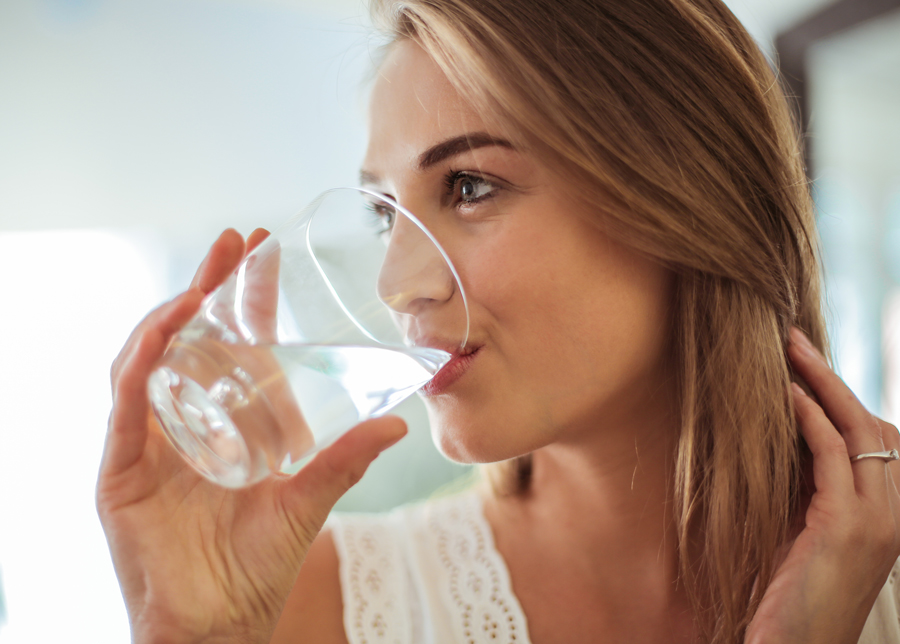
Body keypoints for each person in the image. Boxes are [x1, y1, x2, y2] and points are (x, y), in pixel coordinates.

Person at [97, 0, 900, 642]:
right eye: (386, 215)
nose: (397, 283)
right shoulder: (313, 613)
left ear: (686, 203)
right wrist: (197, 637)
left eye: (470, 186)